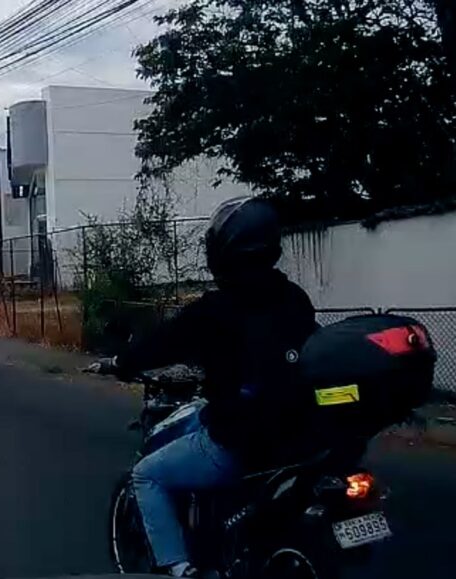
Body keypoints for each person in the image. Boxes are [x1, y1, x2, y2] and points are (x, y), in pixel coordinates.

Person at [89, 197, 318, 577]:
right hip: (297, 436)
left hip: (241, 440)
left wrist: (120, 363)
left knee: (146, 474)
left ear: (222, 253)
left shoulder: (216, 310)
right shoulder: (295, 298)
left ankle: (181, 569)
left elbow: (161, 344)